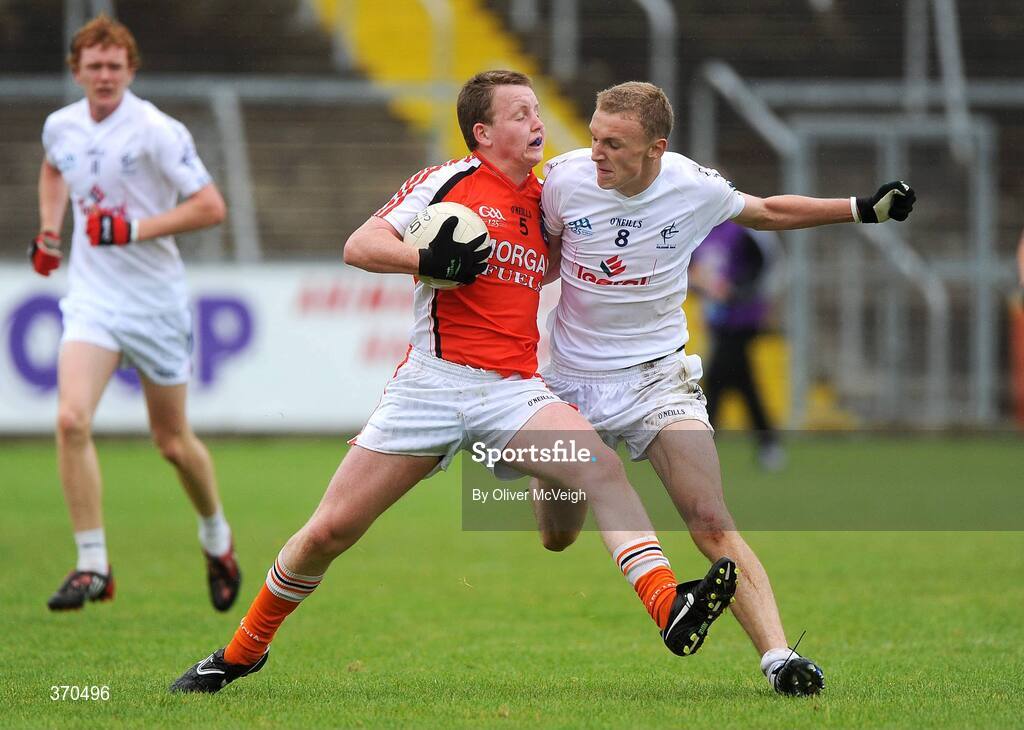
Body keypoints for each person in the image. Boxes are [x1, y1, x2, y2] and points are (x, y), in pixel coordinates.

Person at [170, 70, 738, 694]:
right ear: (483, 132)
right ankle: (243, 650)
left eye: (537, 112)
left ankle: (667, 606)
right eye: (520, 114)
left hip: (513, 391)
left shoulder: (547, 198)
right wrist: (426, 260)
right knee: (329, 531)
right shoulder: (451, 182)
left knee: (598, 465)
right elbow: (360, 245)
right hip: (431, 387)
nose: (537, 124)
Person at [535, 81, 916, 696]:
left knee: (710, 517)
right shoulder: (561, 179)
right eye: (594, 137)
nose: (596, 153)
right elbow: (538, 252)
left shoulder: (693, 186)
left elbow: (767, 211)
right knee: (557, 536)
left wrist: (859, 208)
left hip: (658, 378)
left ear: (656, 148)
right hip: (569, 382)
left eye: (614, 143)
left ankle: (779, 659)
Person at [33, 15, 240, 613]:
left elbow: (210, 206)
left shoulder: (156, 130)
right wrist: (51, 231)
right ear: (76, 71)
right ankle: (93, 564)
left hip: (155, 303)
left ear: (130, 70)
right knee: (71, 420)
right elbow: (54, 166)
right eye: (93, 66)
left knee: (172, 441)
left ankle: (216, 538)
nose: (103, 76)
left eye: (114, 67)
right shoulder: (61, 126)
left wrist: (133, 228)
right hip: (94, 300)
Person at [689, 220, 785, 470]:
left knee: (717, 376)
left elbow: (766, 263)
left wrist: (739, 290)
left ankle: (703, 444)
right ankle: (769, 443)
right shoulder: (700, 230)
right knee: (743, 381)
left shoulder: (743, 230)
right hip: (717, 318)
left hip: (742, 318)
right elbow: (695, 271)